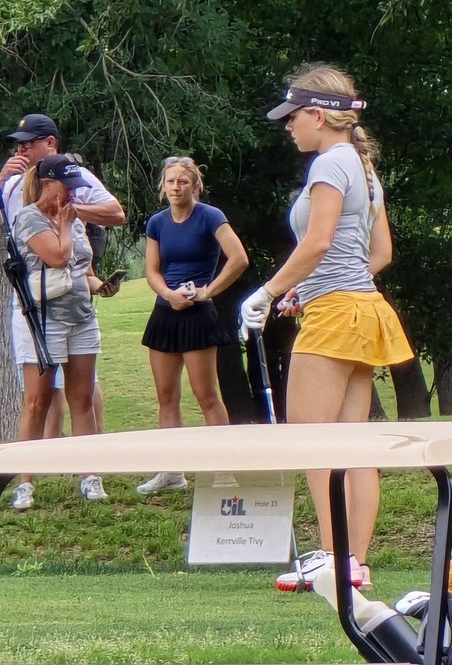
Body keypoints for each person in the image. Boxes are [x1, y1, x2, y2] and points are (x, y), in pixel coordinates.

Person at [240, 64, 413, 591]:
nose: (288, 126)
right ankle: (353, 564)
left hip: (337, 314)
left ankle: (330, 557)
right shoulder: (361, 166)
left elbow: (316, 243)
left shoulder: (327, 166)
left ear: (318, 115)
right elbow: (378, 254)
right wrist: (303, 289)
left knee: (311, 441)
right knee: (351, 444)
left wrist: (267, 292)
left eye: (293, 117)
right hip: (363, 309)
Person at [0, 114, 125, 511]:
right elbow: (56, 258)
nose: (72, 193)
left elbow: (81, 269)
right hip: (43, 318)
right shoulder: (29, 217)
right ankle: (26, 481)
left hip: (80, 316)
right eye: (66, 186)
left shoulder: (74, 215)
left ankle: (90, 475)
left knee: (82, 396)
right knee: (37, 400)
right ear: (48, 183)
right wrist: (69, 224)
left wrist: (99, 284)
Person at [137, 156, 249, 495]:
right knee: (166, 397)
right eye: (170, 182)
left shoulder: (210, 217)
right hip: (165, 313)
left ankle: (223, 470)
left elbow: (240, 258)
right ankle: (171, 472)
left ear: (194, 186)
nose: (175, 187)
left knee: (207, 395)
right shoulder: (157, 222)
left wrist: (207, 292)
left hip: (198, 316)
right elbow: (152, 271)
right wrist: (168, 294)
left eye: (182, 182)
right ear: (163, 185)